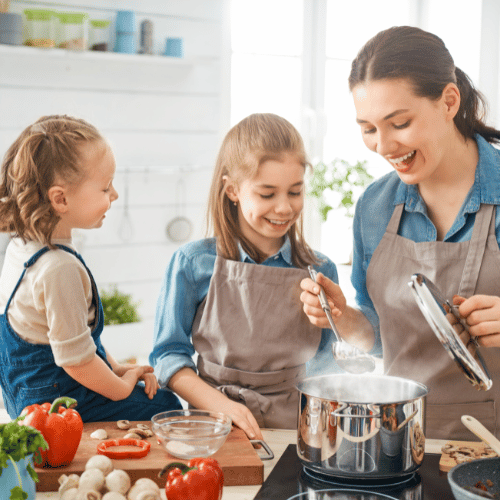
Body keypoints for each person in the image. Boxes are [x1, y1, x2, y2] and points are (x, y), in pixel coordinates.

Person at [300, 26, 500, 440]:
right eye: (369, 128)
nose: (384, 146)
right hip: (401, 438)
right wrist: (344, 318)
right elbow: (375, 336)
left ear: (449, 101)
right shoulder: (375, 207)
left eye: (400, 123)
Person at [150, 113, 340, 440]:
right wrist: (219, 405)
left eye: (294, 192)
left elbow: (327, 362)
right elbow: (168, 357)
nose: (284, 208)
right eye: (267, 194)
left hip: (295, 426)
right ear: (233, 190)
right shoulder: (191, 263)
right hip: (212, 423)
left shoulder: (320, 269)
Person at [0, 115, 182, 421]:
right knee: (167, 405)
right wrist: (123, 385)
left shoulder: (21, 247)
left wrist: (116, 368)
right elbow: (77, 362)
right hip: (57, 406)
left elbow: (75, 337)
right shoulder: (59, 268)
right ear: (60, 199)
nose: (114, 195)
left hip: (25, 398)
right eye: (105, 187)